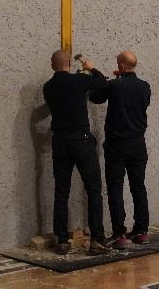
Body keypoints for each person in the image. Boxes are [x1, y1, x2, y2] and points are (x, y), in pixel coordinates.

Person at [43, 49, 111, 255]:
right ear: (70, 65)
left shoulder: (48, 87)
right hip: (81, 140)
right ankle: (97, 240)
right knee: (93, 189)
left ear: (52, 64)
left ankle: (62, 240)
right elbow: (103, 84)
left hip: (60, 142)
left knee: (61, 192)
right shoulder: (80, 80)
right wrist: (91, 68)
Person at [90, 50, 151, 249]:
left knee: (115, 188)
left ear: (122, 66)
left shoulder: (114, 86)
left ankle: (119, 234)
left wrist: (98, 77)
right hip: (138, 144)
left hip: (117, 145)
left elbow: (96, 98)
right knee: (138, 187)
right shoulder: (145, 87)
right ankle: (141, 231)